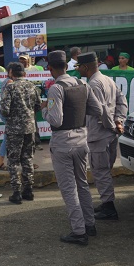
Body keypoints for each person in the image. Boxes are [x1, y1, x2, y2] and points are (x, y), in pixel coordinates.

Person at [41, 50, 103, 246]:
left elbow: (56, 119)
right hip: (82, 139)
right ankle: (89, 224)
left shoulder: (56, 89)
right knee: (82, 184)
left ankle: (79, 231)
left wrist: (44, 109)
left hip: (63, 143)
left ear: (50, 68)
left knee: (69, 189)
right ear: (67, 66)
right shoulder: (82, 84)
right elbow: (98, 110)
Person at [77, 52, 128, 220]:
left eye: (79, 67)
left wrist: (113, 125)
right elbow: (122, 102)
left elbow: (101, 111)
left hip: (100, 135)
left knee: (100, 171)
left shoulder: (93, 84)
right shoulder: (107, 79)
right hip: (110, 134)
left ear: (85, 67)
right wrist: (119, 121)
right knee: (104, 170)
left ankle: (109, 208)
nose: (78, 70)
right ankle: (107, 203)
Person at [0, 62, 41, 204]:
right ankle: (28, 190)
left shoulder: (10, 87)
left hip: (14, 129)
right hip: (30, 128)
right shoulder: (32, 86)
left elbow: (4, 110)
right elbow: (38, 105)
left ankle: (16, 192)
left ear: (11, 72)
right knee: (28, 158)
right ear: (23, 72)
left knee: (13, 160)